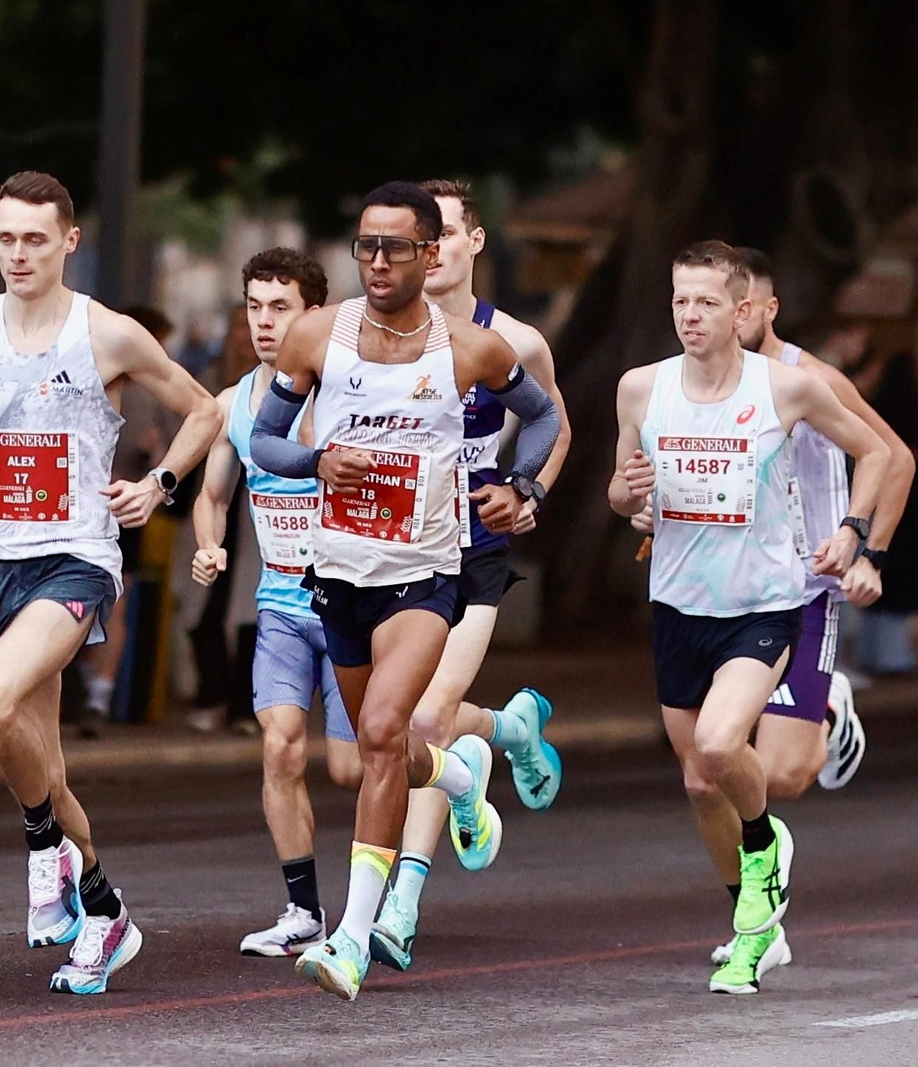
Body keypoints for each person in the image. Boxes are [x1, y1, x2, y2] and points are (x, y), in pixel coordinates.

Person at [0, 171, 220, 995]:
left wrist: (162, 484)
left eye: (35, 238)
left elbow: (206, 410)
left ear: (70, 241)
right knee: (47, 767)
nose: (18, 254)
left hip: (76, 559)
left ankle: (42, 850)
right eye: (5, 238)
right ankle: (103, 911)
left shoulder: (107, 334)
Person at [250, 181, 560, 1001]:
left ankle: (352, 937)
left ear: (431, 254)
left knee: (383, 727)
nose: (378, 262)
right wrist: (317, 461)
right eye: (365, 246)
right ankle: (460, 777)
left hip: (426, 576)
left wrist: (522, 485)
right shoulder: (319, 335)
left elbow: (548, 415)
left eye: (395, 247)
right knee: (374, 755)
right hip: (338, 572)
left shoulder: (471, 350)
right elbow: (265, 439)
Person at [609, 240, 889, 995]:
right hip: (677, 605)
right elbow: (619, 493)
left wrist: (855, 534)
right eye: (679, 300)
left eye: (704, 302)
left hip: (766, 604)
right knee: (703, 783)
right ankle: (753, 926)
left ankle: (763, 847)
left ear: (741, 311)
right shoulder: (640, 389)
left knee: (718, 739)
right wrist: (630, 493)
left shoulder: (787, 388)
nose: (689, 315)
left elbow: (877, 452)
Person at [368, 178, 573, 973]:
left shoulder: (512, 339)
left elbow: (556, 424)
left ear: (474, 242)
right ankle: (509, 730)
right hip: (397, 550)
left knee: (423, 720)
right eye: (419, 238)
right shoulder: (378, 336)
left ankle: (402, 906)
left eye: (445, 234)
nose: (432, 249)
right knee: (405, 724)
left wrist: (528, 491)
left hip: (475, 549)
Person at [190, 247, 364, 957]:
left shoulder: (349, 394)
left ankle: (456, 763)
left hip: (352, 608)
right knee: (280, 748)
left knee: (356, 767)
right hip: (282, 610)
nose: (265, 322)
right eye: (255, 307)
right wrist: (210, 545)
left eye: (280, 307)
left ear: (312, 314)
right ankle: (303, 912)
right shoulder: (238, 404)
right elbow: (212, 495)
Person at [73, 304, 176, 738]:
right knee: (113, 605)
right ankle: (98, 694)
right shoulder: (147, 391)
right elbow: (159, 450)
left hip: (81, 505)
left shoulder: (84, 375)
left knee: (75, 604)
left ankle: (82, 691)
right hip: (121, 505)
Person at [849, 348, 918, 675]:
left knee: (871, 575)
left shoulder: (874, 410)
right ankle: (892, 657)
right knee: (896, 584)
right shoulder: (915, 415)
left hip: (870, 504)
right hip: (908, 509)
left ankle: (872, 653)